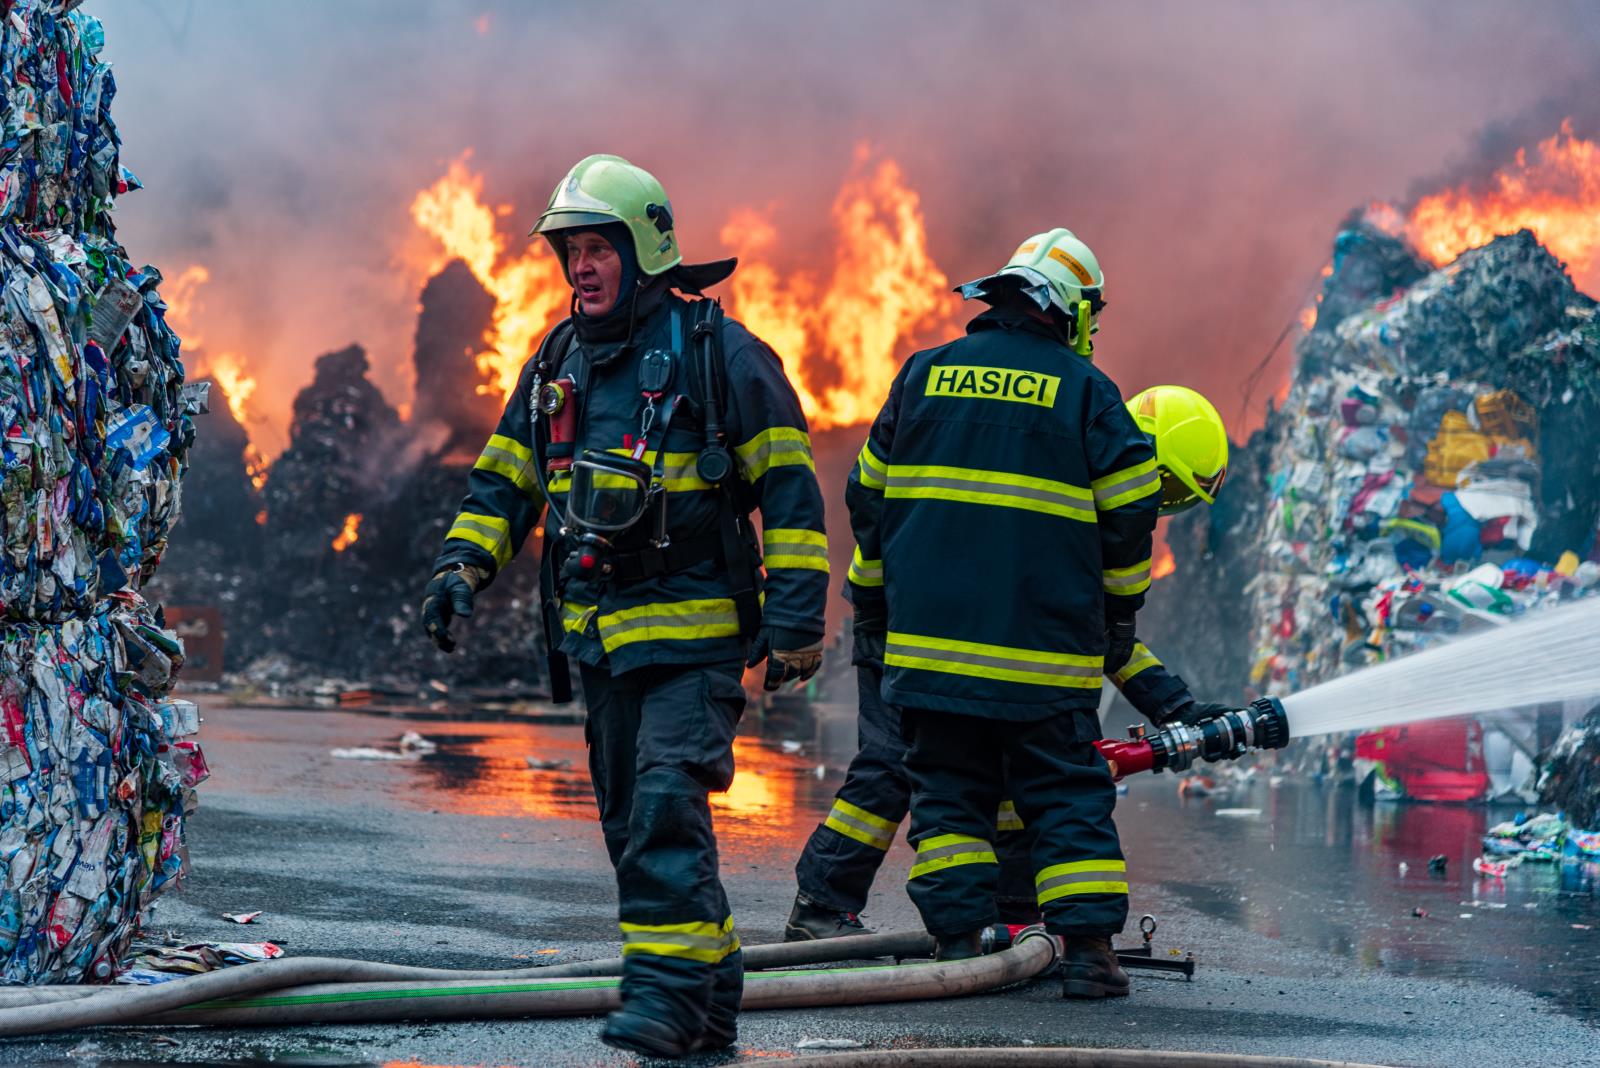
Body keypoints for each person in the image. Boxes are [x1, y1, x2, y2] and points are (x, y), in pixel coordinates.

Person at [420, 154, 828, 1058]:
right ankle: (712, 1000)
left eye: (599, 247)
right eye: (573, 250)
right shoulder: (558, 360)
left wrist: (798, 618)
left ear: (647, 248)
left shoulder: (722, 355)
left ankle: (664, 999)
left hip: (695, 642)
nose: (582, 267)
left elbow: (791, 493)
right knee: (629, 832)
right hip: (601, 643)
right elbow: (506, 481)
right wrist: (462, 568)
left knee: (663, 814)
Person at [787, 361, 1233, 941]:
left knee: (1001, 764)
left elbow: (1100, 635)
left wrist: (1179, 708)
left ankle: (1005, 916)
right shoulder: (1072, 479)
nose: (1158, 504)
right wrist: (1171, 705)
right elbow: (1102, 635)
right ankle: (821, 903)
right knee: (896, 761)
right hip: (912, 625)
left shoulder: (1075, 472)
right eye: (1165, 486)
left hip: (958, 628)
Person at [841, 228, 1159, 998]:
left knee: (949, 797)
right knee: (1064, 794)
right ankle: (1086, 955)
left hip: (931, 658)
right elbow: (1130, 515)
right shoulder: (1088, 392)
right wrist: (1117, 621)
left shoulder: (920, 376)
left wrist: (878, 611)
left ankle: (958, 945)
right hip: (1043, 658)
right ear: (1069, 309)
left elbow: (866, 501)